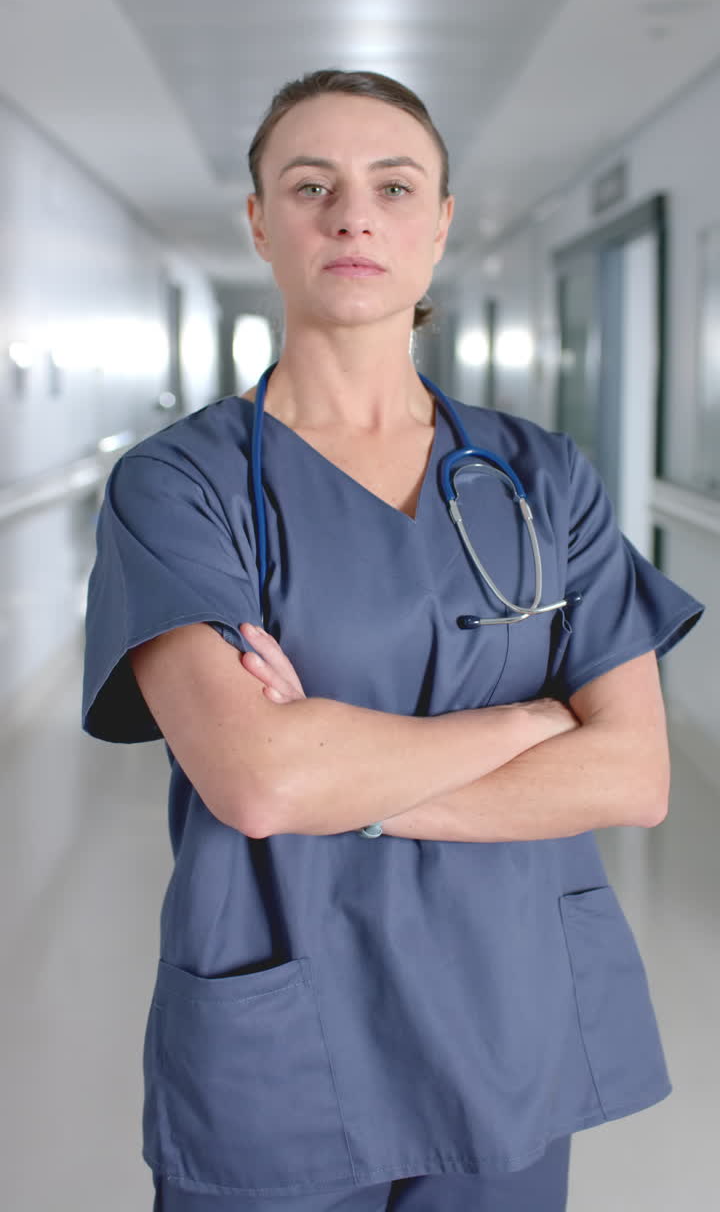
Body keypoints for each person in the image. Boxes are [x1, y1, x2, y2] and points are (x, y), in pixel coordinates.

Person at [82, 69, 703, 1212]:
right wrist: (533, 720)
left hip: (508, 1018)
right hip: (285, 1033)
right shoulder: (178, 484)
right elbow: (260, 781)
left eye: (395, 185)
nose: (354, 216)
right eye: (311, 185)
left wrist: (347, 774)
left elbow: (633, 773)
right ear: (261, 221)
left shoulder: (544, 476)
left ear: (441, 221)